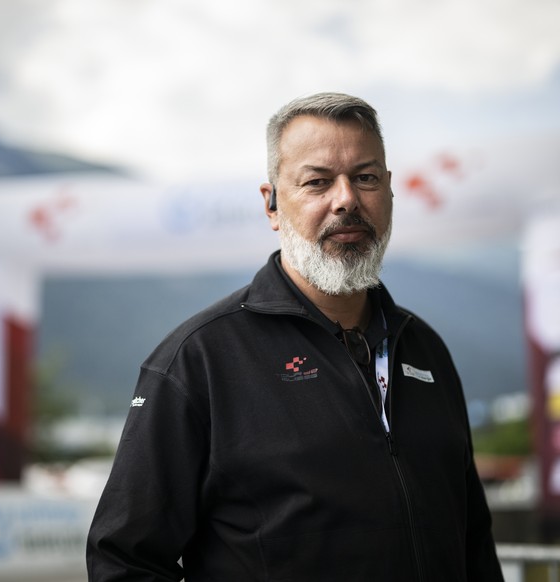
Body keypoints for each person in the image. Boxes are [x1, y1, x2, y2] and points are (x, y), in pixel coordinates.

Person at [86, 92, 504, 581]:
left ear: (389, 193)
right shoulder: (198, 360)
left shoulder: (425, 349)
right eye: (317, 182)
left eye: (365, 178)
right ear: (272, 204)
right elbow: (123, 561)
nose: (346, 199)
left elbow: (472, 541)